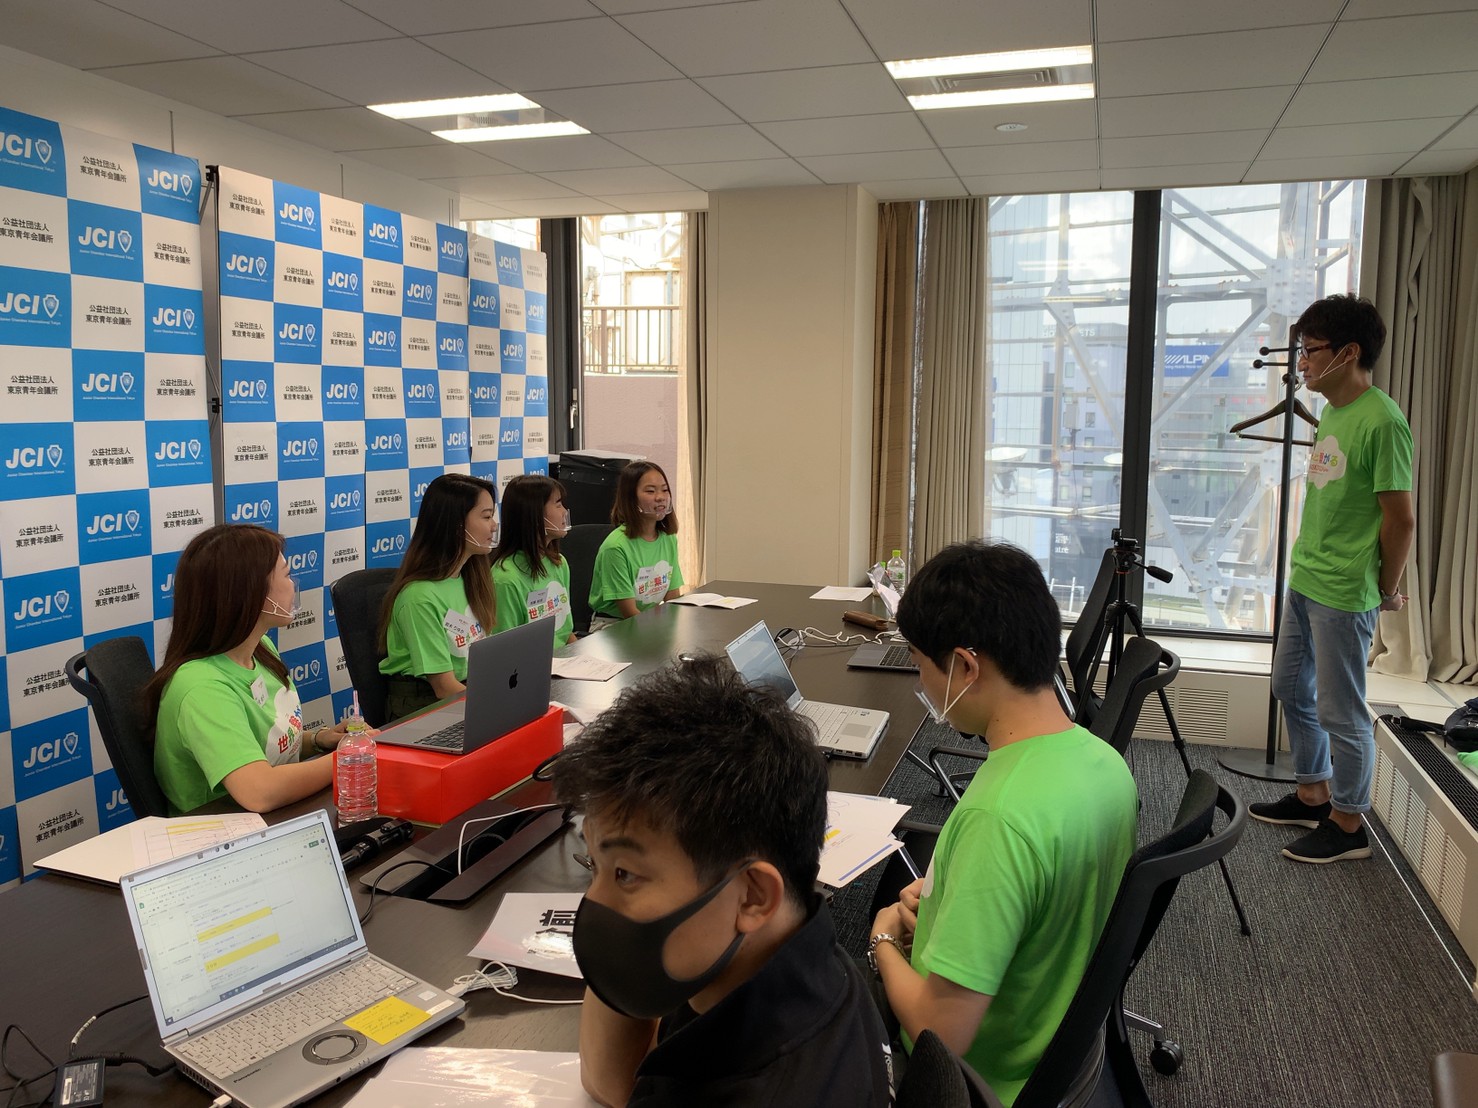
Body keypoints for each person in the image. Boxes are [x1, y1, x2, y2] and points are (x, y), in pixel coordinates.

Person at [553, 656, 893, 1108]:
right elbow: (617, 1084)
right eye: (593, 865)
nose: (593, 903)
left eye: (625, 874)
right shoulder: (793, 950)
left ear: (753, 895)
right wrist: (616, 964)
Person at [869, 541, 1138, 1105]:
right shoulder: (1106, 764)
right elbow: (1044, 895)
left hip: (976, 1081)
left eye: (920, 663)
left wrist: (882, 940)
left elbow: (940, 1035)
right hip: (1056, 1043)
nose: (921, 680)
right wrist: (949, 901)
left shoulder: (998, 818)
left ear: (965, 667)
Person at [1251, 294, 1415, 864]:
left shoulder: (1383, 422)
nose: (1301, 362)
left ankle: (1348, 825)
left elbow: (1401, 519)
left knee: (1341, 712)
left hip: (1345, 592)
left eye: (1310, 350)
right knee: (1290, 688)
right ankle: (1312, 794)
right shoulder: (1334, 413)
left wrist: (1385, 591)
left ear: (1348, 353)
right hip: (1308, 578)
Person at [149, 524, 366, 814]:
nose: (293, 584)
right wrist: (354, 755)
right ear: (252, 593)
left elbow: (261, 746)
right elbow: (261, 791)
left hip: (274, 818)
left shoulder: (260, 649)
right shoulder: (201, 688)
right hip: (226, 830)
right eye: (286, 575)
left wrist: (318, 740)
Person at [378, 473, 498, 721]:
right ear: (456, 525)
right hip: (424, 706)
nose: (494, 525)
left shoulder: (469, 578)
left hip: (465, 692)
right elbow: (443, 687)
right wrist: (500, 706)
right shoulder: (419, 597)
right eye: (486, 517)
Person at [588, 462, 683, 631]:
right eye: (650, 491)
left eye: (665, 490)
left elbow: (673, 599)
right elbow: (629, 613)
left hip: (650, 621)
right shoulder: (616, 547)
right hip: (614, 626)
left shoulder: (668, 538)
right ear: (630, 498)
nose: (660, 497)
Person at [491, 474, 576, 646]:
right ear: (534, 514)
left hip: (565, 659)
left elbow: (565, 633)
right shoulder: (505, 579)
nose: (564, 512)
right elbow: (506, 648)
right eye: (558, 504)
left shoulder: (559, 562)